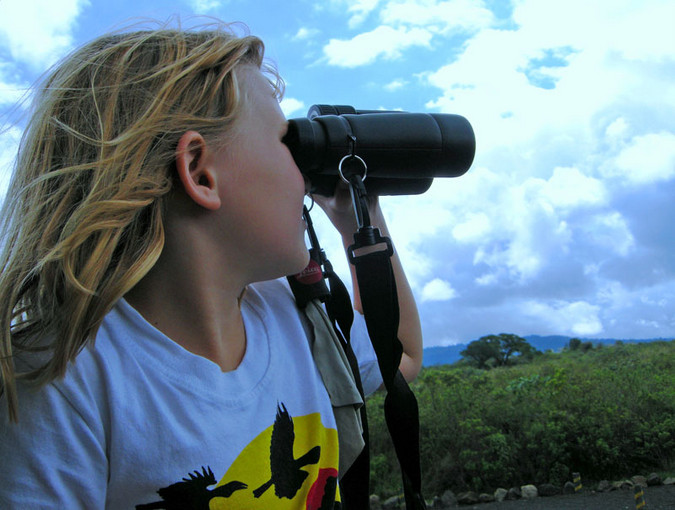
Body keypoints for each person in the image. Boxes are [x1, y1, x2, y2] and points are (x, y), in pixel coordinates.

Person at [0, 20, 422, 509]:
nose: (305, 176)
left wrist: (360, 221)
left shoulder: (295, 315)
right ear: (200, 173)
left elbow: (401, 359)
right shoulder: (60, 379)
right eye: (287, 142)